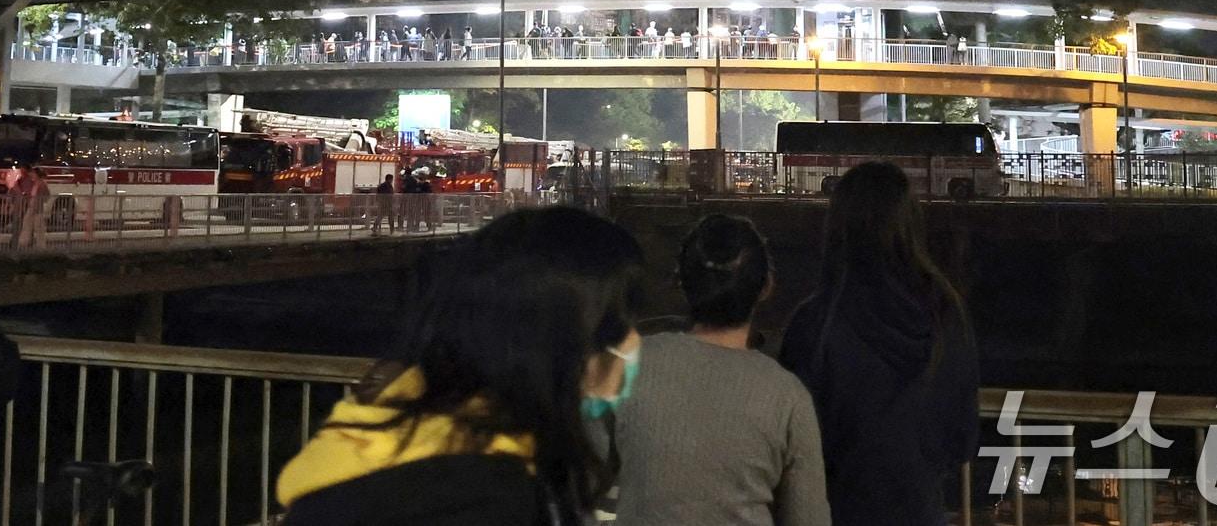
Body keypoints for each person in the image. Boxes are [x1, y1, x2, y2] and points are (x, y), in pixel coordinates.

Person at [277, 207, 645, 526]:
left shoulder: (404, 443)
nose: (633, 342)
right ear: (556, 340)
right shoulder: (477, 498)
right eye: (618, 325)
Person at [778, 163, 979, 526]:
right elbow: (961, 437)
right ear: (911, 224)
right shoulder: (945, 315)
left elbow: (792, 443)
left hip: (836, 511)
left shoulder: (816, 321)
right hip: (920, 510)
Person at [615, 215, 830, 526]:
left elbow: (583, 473)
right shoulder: (787, 396)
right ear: (766, 287)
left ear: (681, 282)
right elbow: (808, 517)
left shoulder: (631, 363)